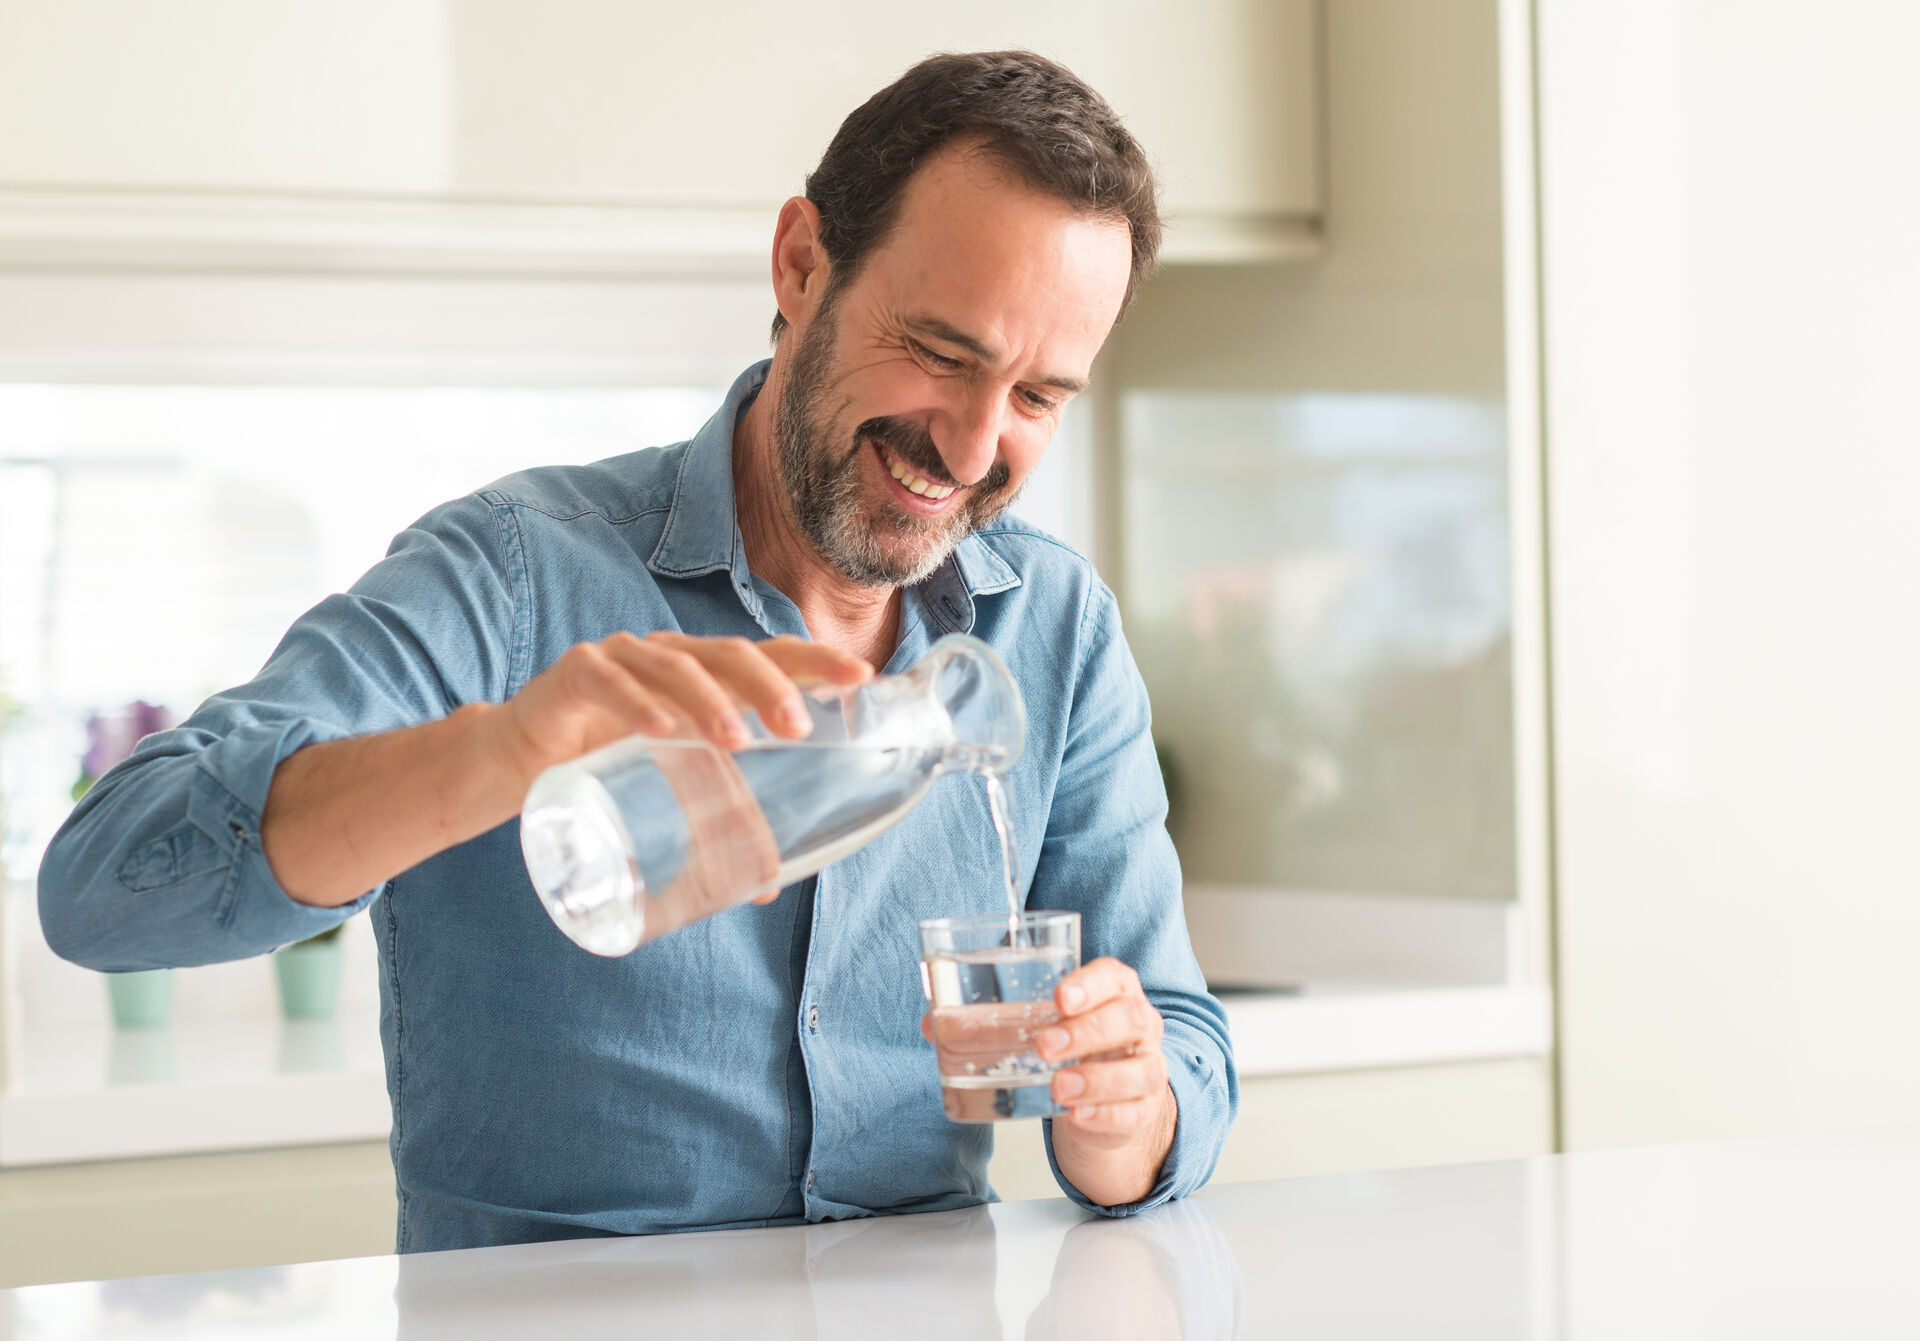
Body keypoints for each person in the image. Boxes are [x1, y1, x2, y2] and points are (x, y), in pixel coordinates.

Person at [39, 50, 1238, 1251]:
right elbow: (103, 890)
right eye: (943, 353)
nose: (975, 448)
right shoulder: (516, 578)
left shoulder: (1057, 627)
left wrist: (1126, 1117)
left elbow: (1179, 1033)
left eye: (1037, 398)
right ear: (801, 265)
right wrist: (496, 754)